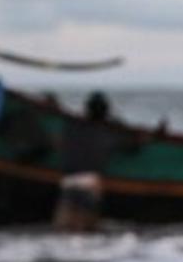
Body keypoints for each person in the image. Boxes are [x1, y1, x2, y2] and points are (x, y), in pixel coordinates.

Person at [53, 91, 133, 231]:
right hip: (90, 185)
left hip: (69, 184)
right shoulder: (109, 133)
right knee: (87, 234)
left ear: (87, 109)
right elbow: (133, 145)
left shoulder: (73, 127)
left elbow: (61, 115)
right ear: (106, 111)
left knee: (63, 230)